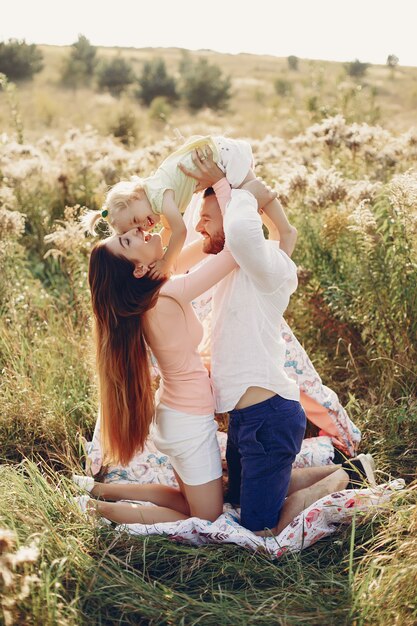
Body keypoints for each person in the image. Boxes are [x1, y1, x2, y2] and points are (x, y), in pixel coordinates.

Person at [75, 170, 376, 532]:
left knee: (193, 499)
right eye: (126, 241)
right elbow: (233, 249)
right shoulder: (167, 293)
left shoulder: (153, 292)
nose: (136, 232)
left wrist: (217, 181)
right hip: (186, 423)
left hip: (176, 416)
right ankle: (96, 509)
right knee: (205, 516)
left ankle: (100, 490)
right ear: (138, 269)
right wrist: (243, 187)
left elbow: (206, 245)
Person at [179, 149, 376, 536]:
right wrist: (263, 207)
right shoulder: (242, 263)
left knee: (258, 528)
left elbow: (247, 232)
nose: (199, 228)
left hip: (268, 419)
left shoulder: (267, 266)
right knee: (237, 499)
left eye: (205, 219)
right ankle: (350, 468)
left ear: (234, 217)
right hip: (245, 419)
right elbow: (280, 234)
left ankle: (343, 480)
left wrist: (239, 189)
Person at [82, 135, 297, 280]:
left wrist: (166, 261)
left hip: (218, 156)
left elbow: (180, 230)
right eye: (137, 229)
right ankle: (279, 231)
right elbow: (167, 230)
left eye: (136, 220)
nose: (144, 228)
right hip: (213, 157)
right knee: (246, 197)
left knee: (252, 190)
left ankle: (285, 230)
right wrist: (160, 254)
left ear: (137, 195)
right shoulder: (155, 204)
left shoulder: (159, 194)